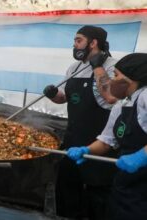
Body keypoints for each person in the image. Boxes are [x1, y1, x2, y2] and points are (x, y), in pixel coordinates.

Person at [43, 25, 118, 219]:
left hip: (100, 142)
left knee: (96, 193)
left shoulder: (112, 66)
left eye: (78, 40)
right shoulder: (74, 68)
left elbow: (110, 96)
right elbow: (65, 98)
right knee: (67, 186)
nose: (74, 45)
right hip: (73, 137)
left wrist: (97, 66)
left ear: (93, 43)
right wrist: (53, 95)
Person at [67, 53, 147, 219]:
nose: (112, 81)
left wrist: (141, 156)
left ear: (132, 79)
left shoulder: (145, 96)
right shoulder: (122, 105)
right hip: (126, 184)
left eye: (116, 75)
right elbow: (106, 141)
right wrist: (86, 150)